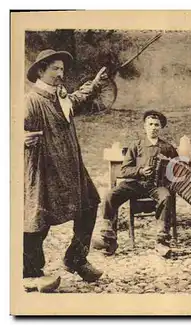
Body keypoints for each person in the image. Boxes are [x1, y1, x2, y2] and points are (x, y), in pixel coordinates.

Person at [24, 49, 109, 292]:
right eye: (55, 69)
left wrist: (94, 85)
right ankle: (29, 272)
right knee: (37, 219)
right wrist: (20, 137)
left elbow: (76, 99)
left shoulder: (59, 97)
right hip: (44, 169)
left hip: (71, 167)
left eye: (62, 69)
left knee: (90, 203)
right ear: (41, 71)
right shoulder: (31, 101)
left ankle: (76, 258)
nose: (61, 74)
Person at [92, 110, 178, 256]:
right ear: (145, 126)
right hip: (135, 184)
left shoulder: (168, 147)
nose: (153, 127)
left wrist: (166, 172)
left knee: (167, 197)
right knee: (110, 195)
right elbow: (124, 170)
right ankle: (108, 238)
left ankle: (161, 241)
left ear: (161, 127)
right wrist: (140, 171)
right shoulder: (136, 145)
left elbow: (176, 170)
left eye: (157, 125)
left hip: (156, 186)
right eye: (150, 124)